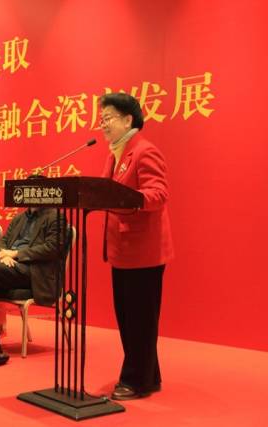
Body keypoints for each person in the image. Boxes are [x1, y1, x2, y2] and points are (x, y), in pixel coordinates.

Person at [99, 93, 173, 401]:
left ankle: (135, 380)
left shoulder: (144, 151)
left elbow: (158, 193)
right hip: (121, 251)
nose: (103, 125)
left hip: (143, 251)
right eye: (102, 120)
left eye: (108, 118)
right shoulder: (114, 155)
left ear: (128, 119)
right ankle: (149, 375)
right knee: (129, 319)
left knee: (140, 320)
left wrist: (127, 200)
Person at [0, 184, 68, 305]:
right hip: (9, 265)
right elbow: (3, 240)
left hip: (33, 270)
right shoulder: (19, 218)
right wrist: (2, 256)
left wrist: (15, 254)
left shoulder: (56, 217)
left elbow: (52, 248)